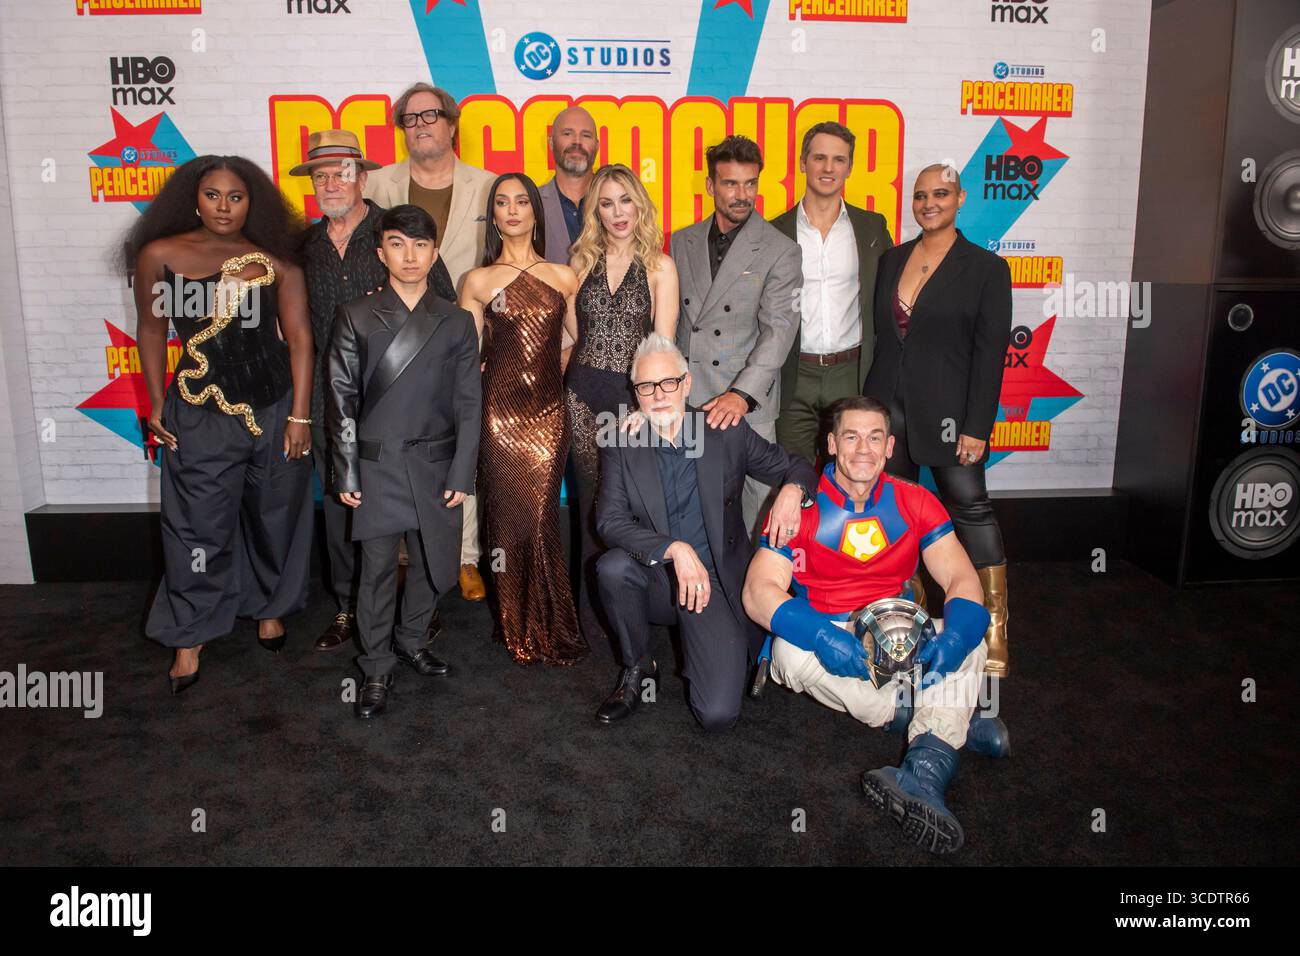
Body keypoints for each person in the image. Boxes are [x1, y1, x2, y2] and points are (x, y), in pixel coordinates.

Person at [742, 397, 1009, 855]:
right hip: (830, 634)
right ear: (830, 444)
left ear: (889, 447)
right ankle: (943, 722)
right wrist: (820, 635)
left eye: (874, 437)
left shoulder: (916, 500)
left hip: (901, 637)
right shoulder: (794, 506)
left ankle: (921, 775)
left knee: (970, 640)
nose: (862, 448)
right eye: (850, 436)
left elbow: (962, 579)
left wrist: (957, 638)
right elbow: (758, 592)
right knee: (786, 653)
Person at [126, 155, 314, 693]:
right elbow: (151, 328)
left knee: (274, 515)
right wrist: (158, 400)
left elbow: (300, 340)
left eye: (236, 196)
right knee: (196, 526)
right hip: (199, 409)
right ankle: (189, 634)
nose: (224, 206)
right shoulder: (160, 255)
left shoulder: (277, 260)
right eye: (213, 195)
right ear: (194, 198)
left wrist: (300, 414)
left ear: (252, 202)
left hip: (276, 405)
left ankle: (270, 608)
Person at [594, 334, 816, 731]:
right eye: (646, 387)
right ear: (636, 394)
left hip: (712, 583)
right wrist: (672, 549)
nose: (659, 395)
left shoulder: (725, 431)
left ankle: (703, 647)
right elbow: (609, 521)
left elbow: (794, 465)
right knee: (612, 568)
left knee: (717, 715)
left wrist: (792, 491)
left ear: (687, 383)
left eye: (669, 383)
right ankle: (639, 668)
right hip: (658, 578)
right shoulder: (622, 440)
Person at [292, 128, 457, 652]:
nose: (331, 183)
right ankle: (347, 607)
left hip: (406, 409)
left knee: (413, 512)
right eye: (320, 175)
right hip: (331, 402)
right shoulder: (305, 246)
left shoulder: (395, 235)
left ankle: (416, 613)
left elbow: (445, 312)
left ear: (362, 177)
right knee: (343, 507)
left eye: (342, 172)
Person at [327, 205, 481, 718]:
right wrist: (347, 468)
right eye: (397, 244)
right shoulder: (355, 315)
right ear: (380, 252)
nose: (409, 255)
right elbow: (341, 399)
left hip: (437, 466)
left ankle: (412, 639)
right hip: (376, 467)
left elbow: (468, 402)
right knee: (373, 572)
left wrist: (463, 471)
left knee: (435, 566)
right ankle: (374, 667)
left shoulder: (457, 321)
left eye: (419, 245)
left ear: (434, 252)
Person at [862, 164, 1012, 676]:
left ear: (960, 198)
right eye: (921, 195)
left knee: (970, 510)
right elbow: (886, 340)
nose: (929, 203)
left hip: (953, 416)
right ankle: (908, 624)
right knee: (899, 515)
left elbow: (990, 355)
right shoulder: (893, 259)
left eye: (941, 194)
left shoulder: (986, 269)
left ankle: (992, 630)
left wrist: (977, 426)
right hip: (889, 409)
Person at [364, 82, 495, 602]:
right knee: (398, 447)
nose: (420, 126)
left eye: (430, 116)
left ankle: (464, 557)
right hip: (393, 346)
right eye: (410, 119)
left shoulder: (488, 187)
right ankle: (402, 551)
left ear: (452, 123)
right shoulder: (376, 184)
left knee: (462, 444)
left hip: (464, 334)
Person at [459, 173, 586, 665]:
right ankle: (515, 622)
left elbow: (578, 338)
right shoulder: (478, 280)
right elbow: (466, 358)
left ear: (536, 211)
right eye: (501, 203)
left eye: (521, 202)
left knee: (540, 518)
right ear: (492, 215)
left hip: (548, 413)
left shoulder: (563, 275)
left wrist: (553, 363)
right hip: (499, 415)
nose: (512, 210)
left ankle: (549, 620)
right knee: (506, 521)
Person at [564, 163, 679, 656]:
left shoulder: (660, 265)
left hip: (631, 403)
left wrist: (645, 405)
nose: (617, 213)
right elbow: (571, 336)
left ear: (640, 204)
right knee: (590, 505)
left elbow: (664, 346)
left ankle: (639, 607)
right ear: (595, 210)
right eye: (606, 203)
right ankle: (590, 618)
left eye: (625, 201)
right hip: (579, 396)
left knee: (629, 508)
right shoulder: (579, 263)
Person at [671, 135, 802, 534]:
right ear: (710, 186)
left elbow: (779, 331)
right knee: (692, 509)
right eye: (730, 184)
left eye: (750, 184)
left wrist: (741, 395)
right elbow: (676, 322)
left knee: (757, 516)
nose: (742, 195)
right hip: (691, 398)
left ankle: (757, 592)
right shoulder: (682, 240)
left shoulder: (781, 250)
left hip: (748, 403)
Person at [771, 121, 892, 468]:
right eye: (820, 157)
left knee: (852, 473)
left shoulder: (872, 227)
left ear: (850, 167)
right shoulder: (774, 231)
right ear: (802, 162)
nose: (828, 168)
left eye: (839, 160)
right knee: (793, 475)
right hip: (794, 374)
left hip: (851, 371)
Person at [538, 105, 599, 264]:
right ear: (551, 142)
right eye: (567, 133)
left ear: (597, 146)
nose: (577, 142)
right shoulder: (531, 203)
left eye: (586, 135)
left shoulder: (620, 204)